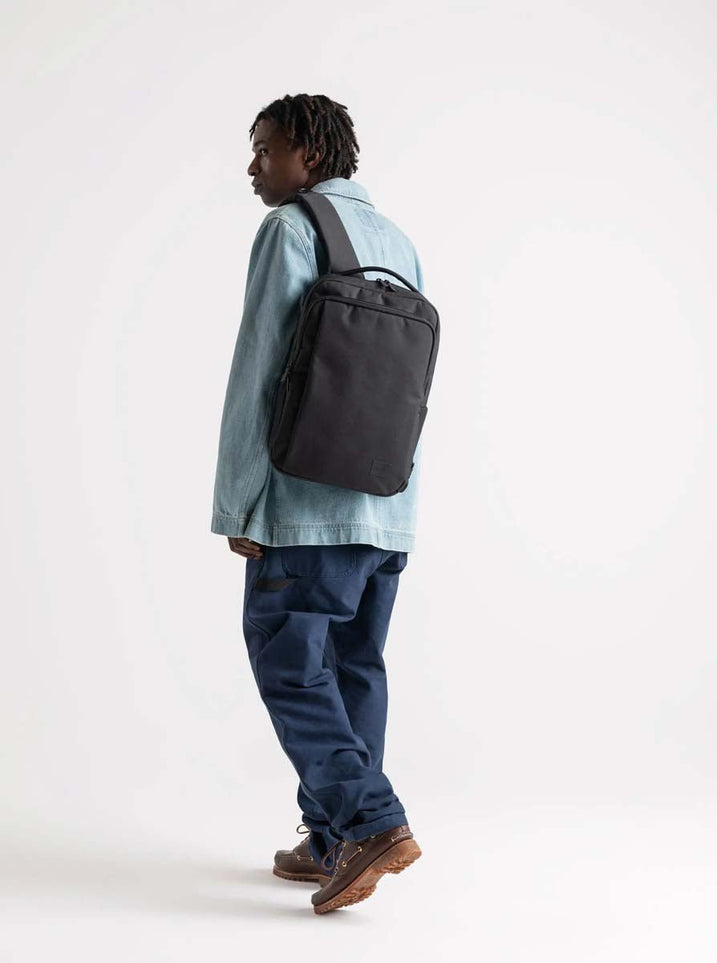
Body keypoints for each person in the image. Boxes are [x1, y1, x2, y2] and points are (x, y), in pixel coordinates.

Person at [210, 93, 425, 914]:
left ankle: (370, 821)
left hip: (305, 504)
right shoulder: (398, 241)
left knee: (292, 665)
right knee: (354, 667)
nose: (254, 165)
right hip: (387, 502)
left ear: (309, 152)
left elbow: (259, 371)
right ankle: (333, 837)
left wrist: (239, 504)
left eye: (265, 148)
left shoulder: (291, 228)